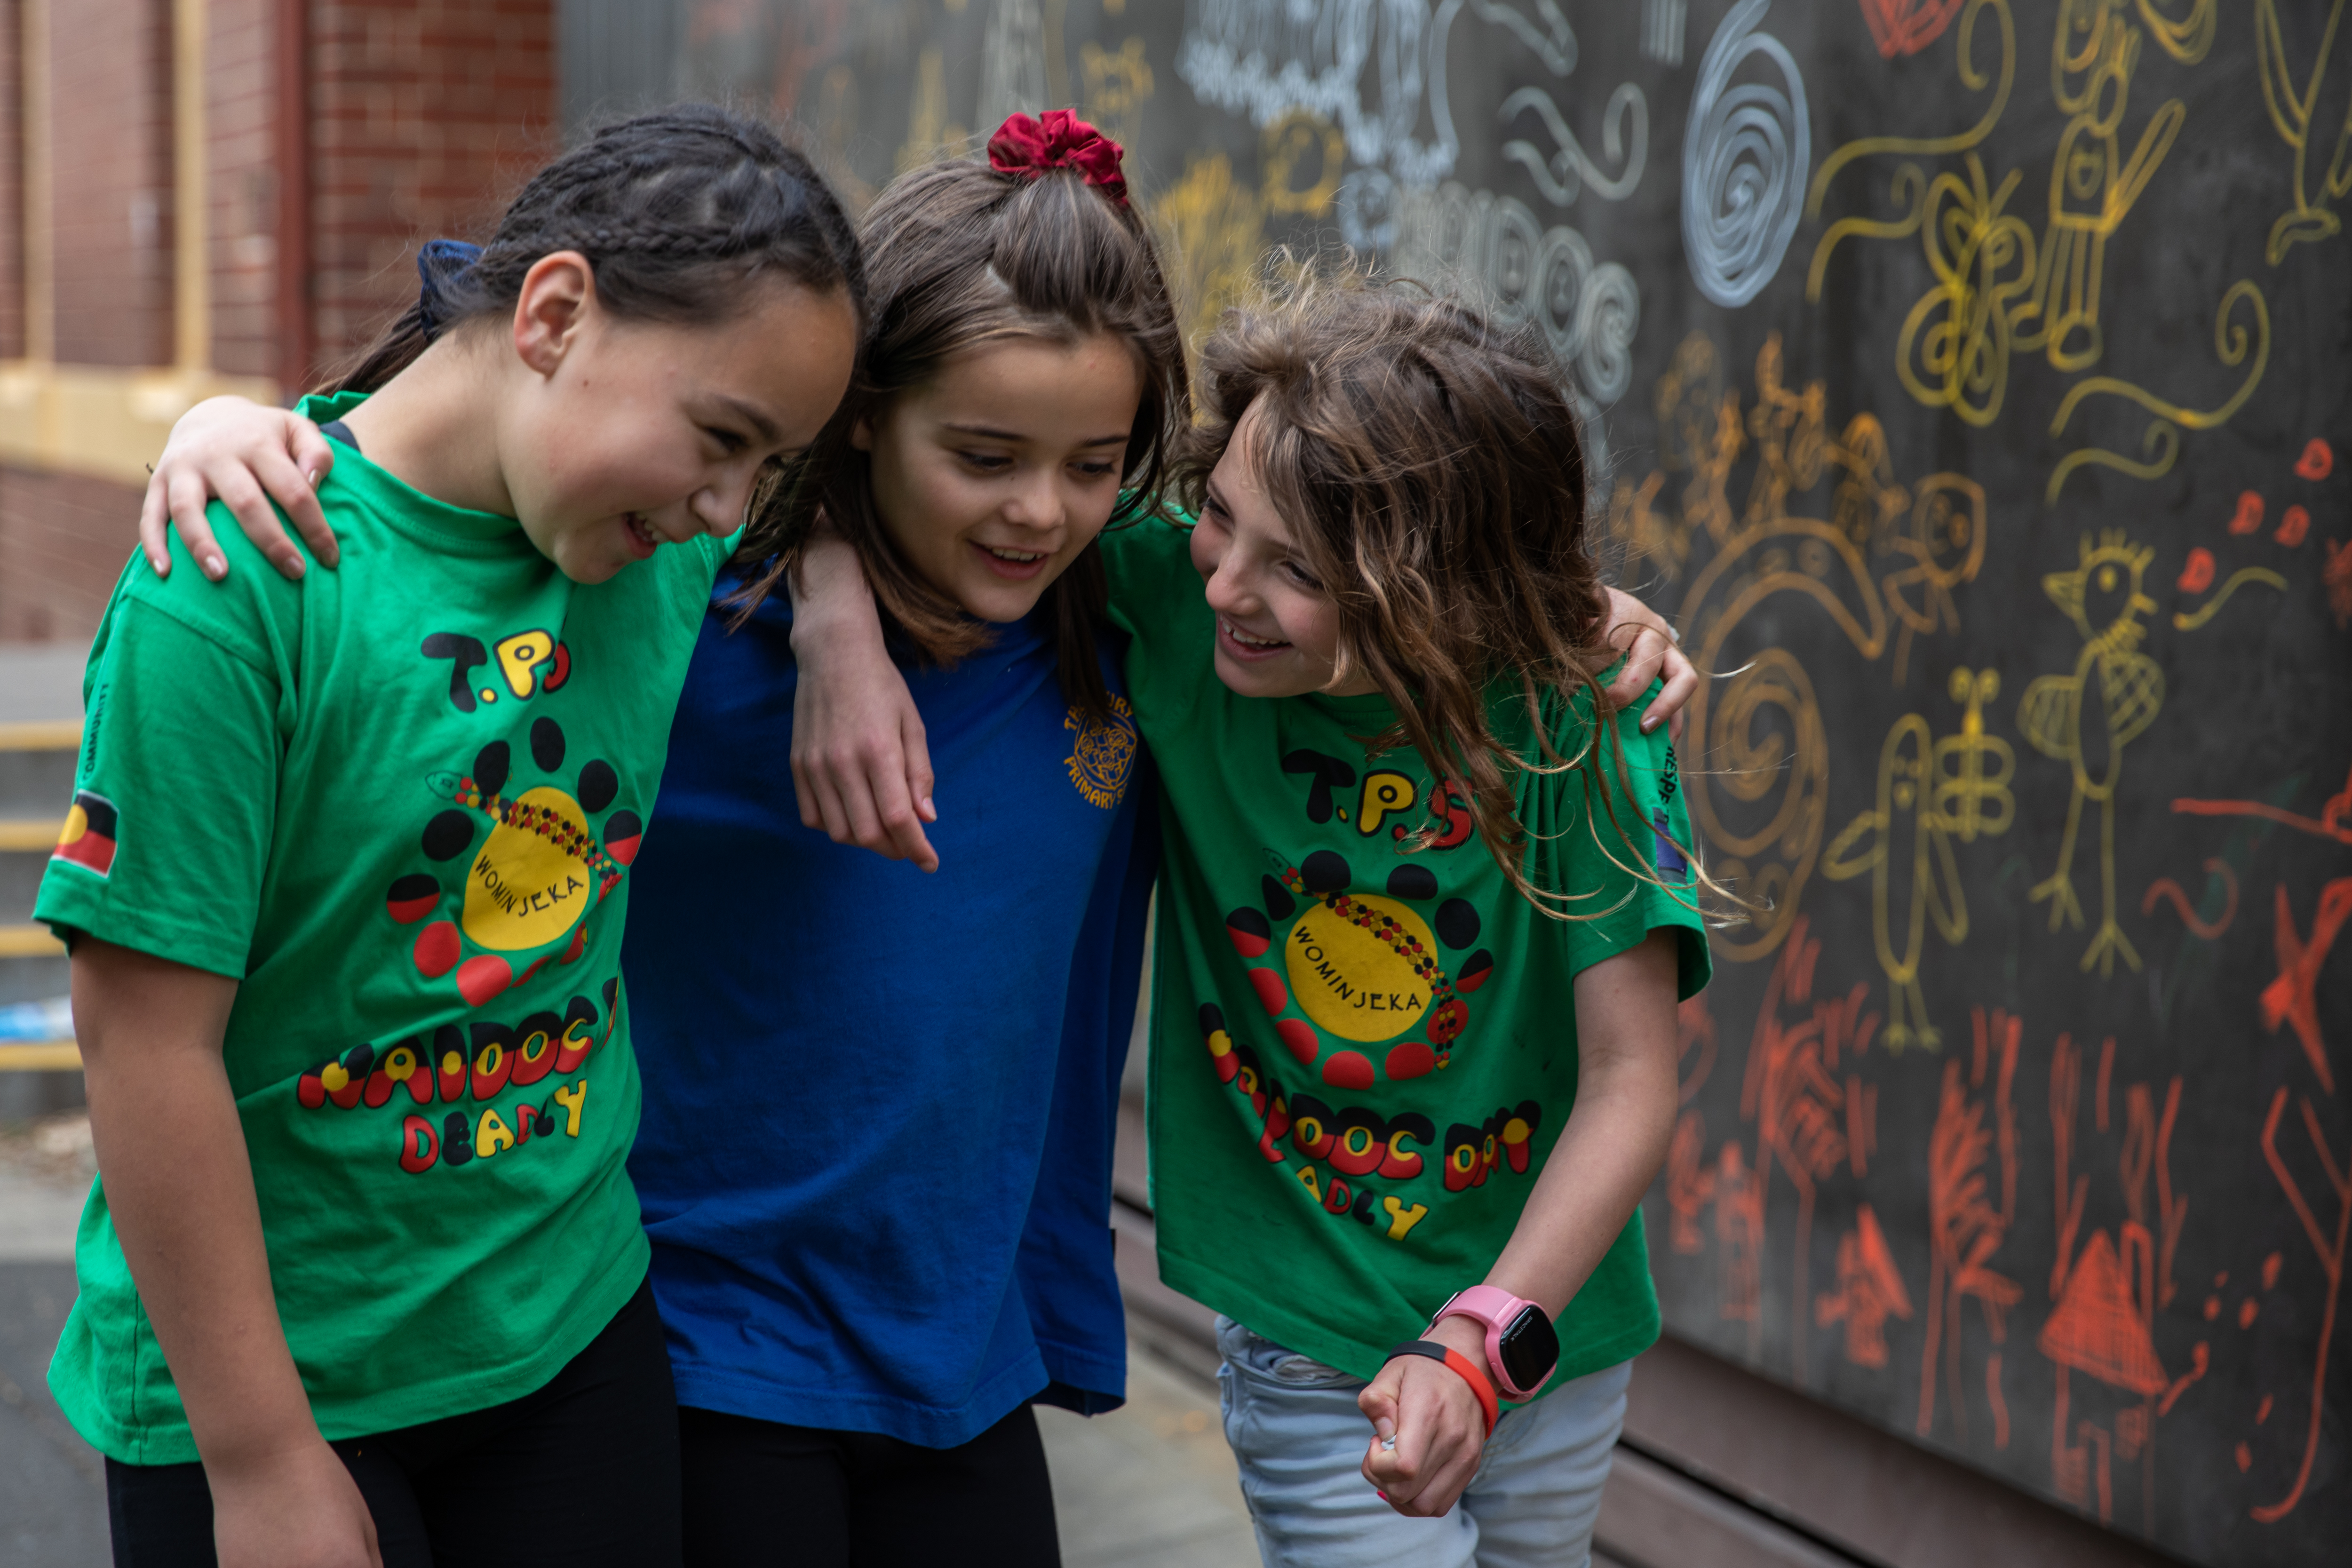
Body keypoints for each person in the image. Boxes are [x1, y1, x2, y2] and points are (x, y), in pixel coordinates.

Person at [141, 128, 1700, 1568]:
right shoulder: (682, 592)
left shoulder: (1138, 613)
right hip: (700, 1339)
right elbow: (483, 498)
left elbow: (1404, 568)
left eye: (1097, 467)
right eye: (985, 457)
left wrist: (1571, 623)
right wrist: (232, 430)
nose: (1044, 513)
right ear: (865, 418)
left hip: (967, 1362)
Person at [43, 103, 862, 1568]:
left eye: (769, 470)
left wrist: (843, 614)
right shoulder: (238, 586)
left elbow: (938, 474)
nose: (729, 509)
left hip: (569, 1344)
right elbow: (143, 1049)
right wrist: (263, 1456)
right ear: (553, 311)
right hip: (273, 1386)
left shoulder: (650, 539)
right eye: (724, 441)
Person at [788, 275, 1715, 1568]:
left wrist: (1482, 1347)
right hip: (1311, 1323)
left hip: (1540, 1324)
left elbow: (1632, 1078)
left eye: (1300, 572)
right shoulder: (1172, 597)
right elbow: (834, 458)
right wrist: (834, 622)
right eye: (1224, 516)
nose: (1228, 581)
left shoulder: (1583, 719)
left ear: (1440, 592)